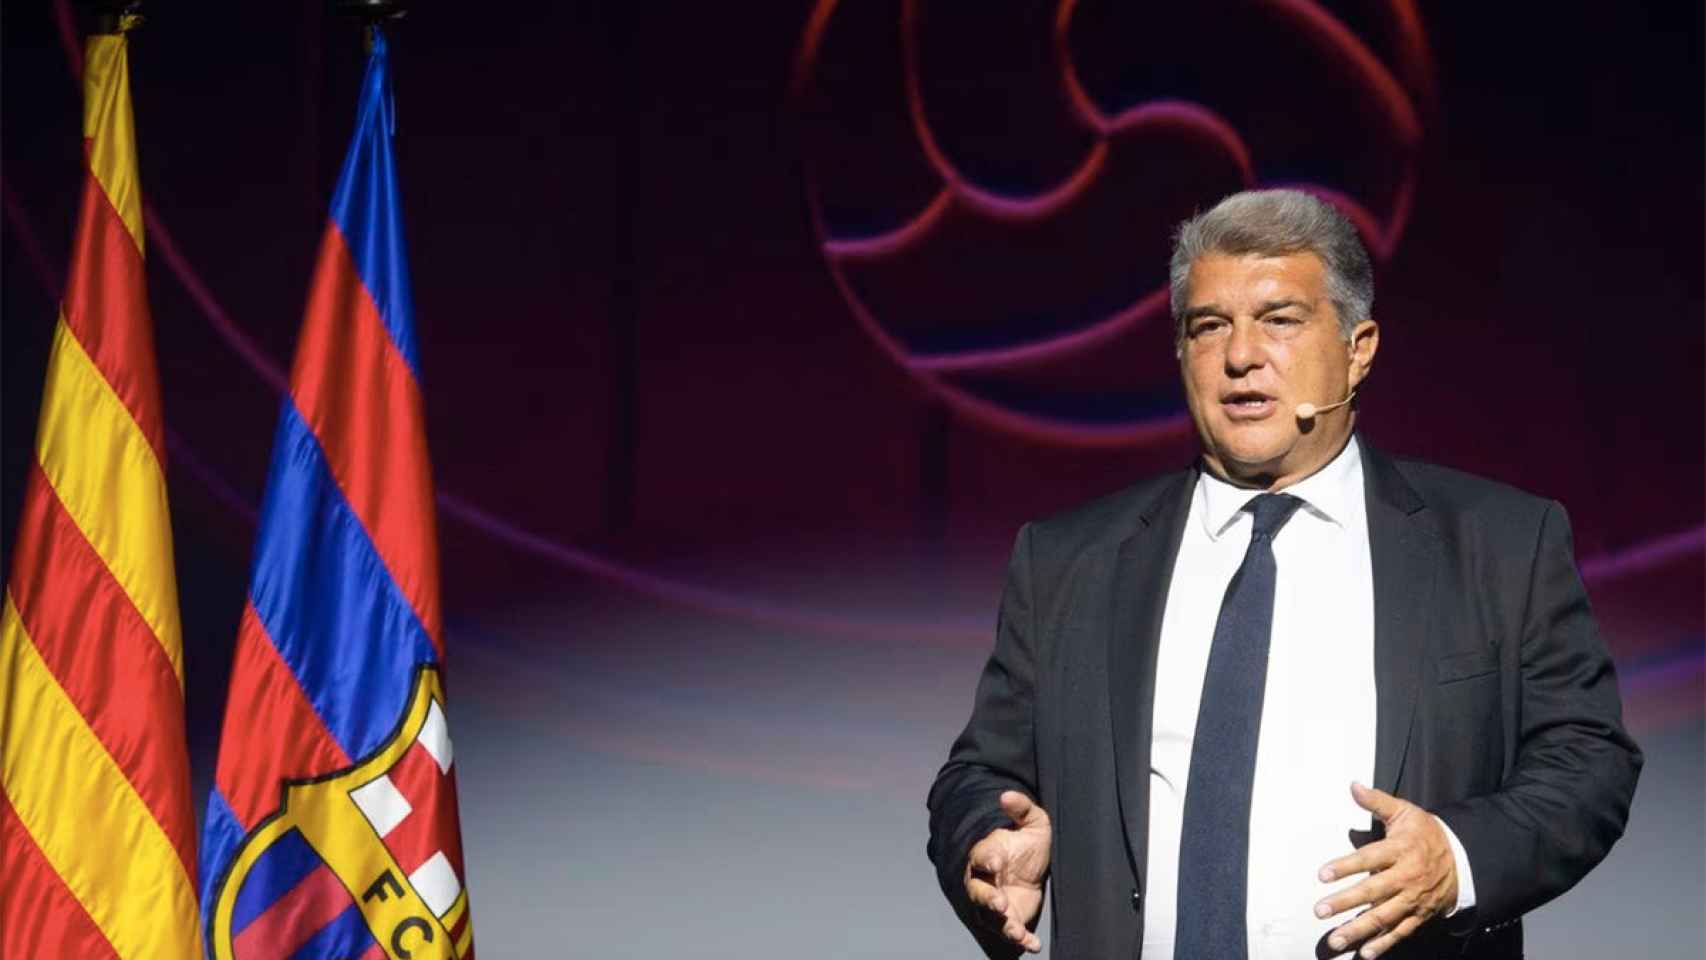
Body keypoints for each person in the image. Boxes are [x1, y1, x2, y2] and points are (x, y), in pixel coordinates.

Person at [925, 189, 1641, 960]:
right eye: (1209, 327)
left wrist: (1457, 859)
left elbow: (1588, 762)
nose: (1240, 356)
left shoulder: (1498, 546)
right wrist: (987, 839)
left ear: (1359, 347)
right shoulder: (1069, 562)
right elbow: (980, 771)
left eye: (1280, 320)